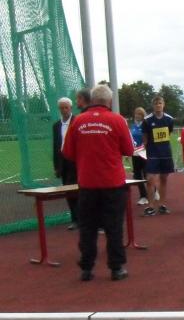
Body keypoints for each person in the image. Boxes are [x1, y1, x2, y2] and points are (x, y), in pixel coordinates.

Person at [61, 84, 134, 281]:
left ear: (92, 100)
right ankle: (116, 268)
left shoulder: (78, 121)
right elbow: (129, 149)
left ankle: (86, 268)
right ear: (109, 101)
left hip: (87, 183)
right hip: (113, 183)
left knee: (87, 227)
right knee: (114, 226)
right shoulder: (117, 120)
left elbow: (67, 152)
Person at [141, 95, 174, 216]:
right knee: (150, 179)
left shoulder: (169, 119)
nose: (158, 105)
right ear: (153, 106)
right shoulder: (147, 120)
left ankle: (162, 205)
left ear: (163, 104)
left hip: (165, 153)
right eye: (156, 103)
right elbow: (145, 137)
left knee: (164, 179)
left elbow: (169, 133)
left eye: (160, 103)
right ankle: (150, 206)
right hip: (153, 153)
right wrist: (146, 149)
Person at [52, 97, 79, 229]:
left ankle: (84, 218)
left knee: (80, 191)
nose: (64, 110)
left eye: (66, 107)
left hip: (76, 161)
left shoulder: (78, 122)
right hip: (63, 162)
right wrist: (56, 166)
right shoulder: (56, 126)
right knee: (68, 192)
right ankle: (75, 219)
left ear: (70, 108)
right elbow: (55, 146)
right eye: (61, 108)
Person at [129, 107, 148, 205]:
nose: (137, 116)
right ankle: (143, 196)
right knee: (137, 175)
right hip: (135, 153)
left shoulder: (145, 125)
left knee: (146, 174)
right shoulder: (132, 126)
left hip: (144, 153)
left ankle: (153, 190)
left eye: (140, 114)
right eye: (136, 113)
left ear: (143, 115)